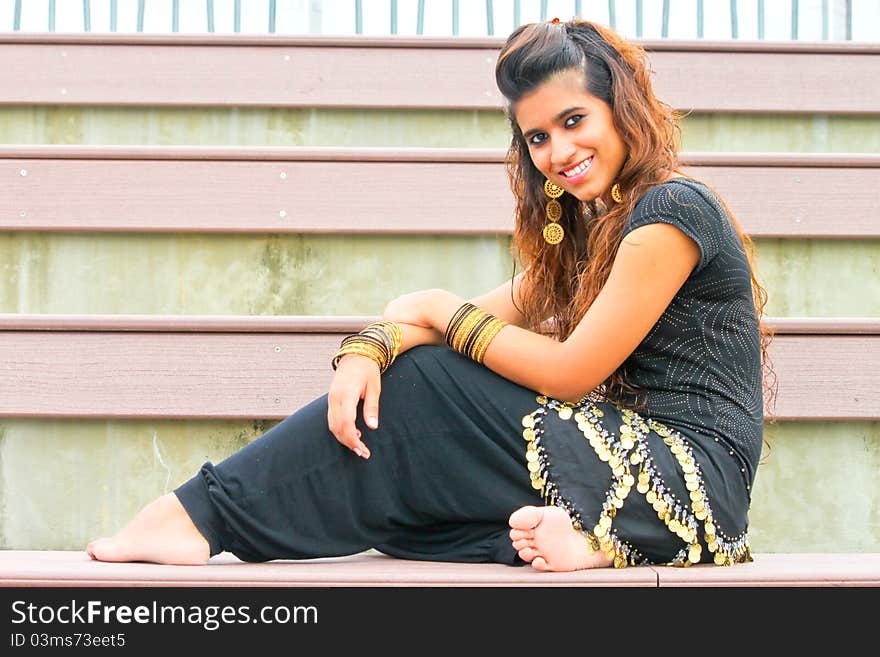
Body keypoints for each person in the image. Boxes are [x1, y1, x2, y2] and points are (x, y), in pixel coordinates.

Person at [86, 18, 774, 571]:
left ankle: (204, 515)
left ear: (620, 108)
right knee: (413, 512)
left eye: (573, 121)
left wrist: (436, 309)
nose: (558, 151)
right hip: (631, 470)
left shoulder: (673, 211)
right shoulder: (595, 233)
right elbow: (454, 321)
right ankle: (588, 544)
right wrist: (369, 350)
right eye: (536, 136)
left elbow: (572, 373)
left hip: (692, 479)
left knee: (432, 383)